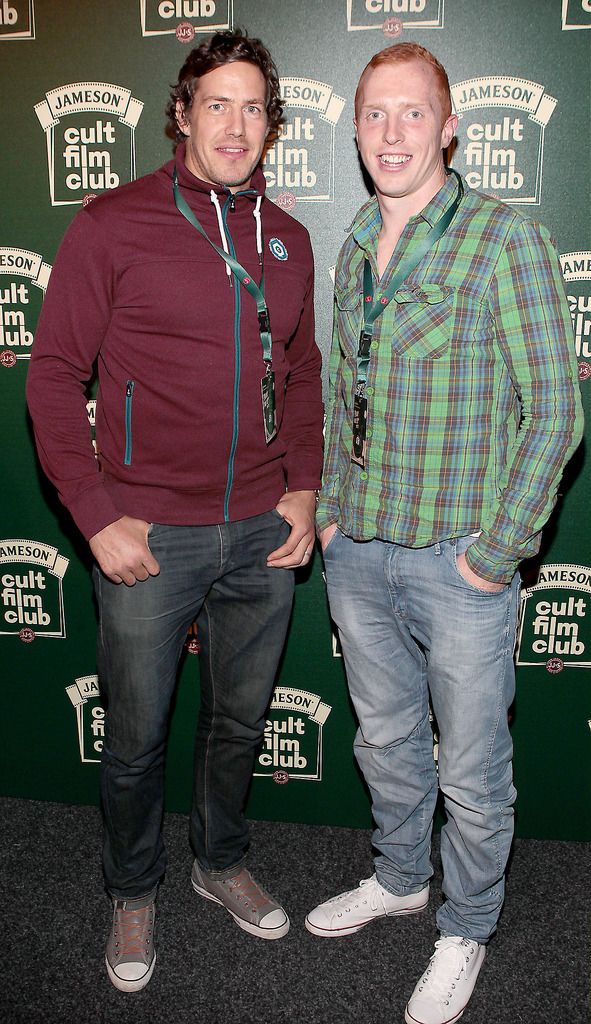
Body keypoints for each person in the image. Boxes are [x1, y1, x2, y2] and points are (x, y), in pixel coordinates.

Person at [27, 30, 323, 993]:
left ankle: (219, 860)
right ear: (184, 113)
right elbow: (54, 375)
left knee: (238, 723)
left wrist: (305, 485)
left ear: (269, 126)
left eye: (253, 108)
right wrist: (94, 511)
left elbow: (305, 374)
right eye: (218, 103)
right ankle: (131, 887)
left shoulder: (290, 237)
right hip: (148, 532)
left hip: (259, 531)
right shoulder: (112, 224)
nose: (236, 124)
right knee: (137, 734)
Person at [307, 42, 583, 1024]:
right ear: (356, 128)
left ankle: (463, 927)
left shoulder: (504, 242)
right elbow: (345, 395)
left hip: (459, 562)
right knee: (385, 741)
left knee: (471, 770)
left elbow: (556, 411)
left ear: (450, 125)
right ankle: (399, 876)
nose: (392, 133)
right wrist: (334, 513)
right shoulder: (350, 246)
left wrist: (494, 553)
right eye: (375, 114)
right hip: (359, 555)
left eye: (412, 113)